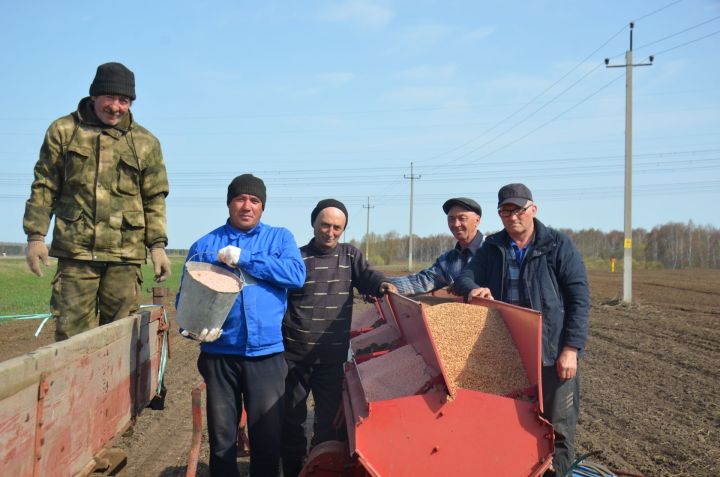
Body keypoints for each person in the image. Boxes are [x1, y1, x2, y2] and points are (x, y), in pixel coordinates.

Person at [23, 62, 171, 341]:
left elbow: (154, 198)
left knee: (120, 337)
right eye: (110, 98)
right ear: (94, 96)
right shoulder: (64, 131)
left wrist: (158, 246)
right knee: (72, 337)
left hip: (124, 257)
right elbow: (44, 184)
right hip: (76, 254)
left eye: (124, 100)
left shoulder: (145, 143)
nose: (116, 107)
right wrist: (35, 235)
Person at [454, 183, 589, 477]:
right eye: (505, 211)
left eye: (518, 209)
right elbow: (463, 277)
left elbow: (579, 299)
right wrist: (473, 289)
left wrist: (571, 349)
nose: (512, 216)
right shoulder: (493, 248)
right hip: (510, 355)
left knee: (558, 429)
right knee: (510, 427)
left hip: (552, 355)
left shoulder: (557, 245)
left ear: (533, 210)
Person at [180, 174, 305, 477]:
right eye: (240, 199)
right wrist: (193, 327)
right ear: (229, 203)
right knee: (222, 439)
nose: (246, 206)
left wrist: (245, 258)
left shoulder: (279, 238)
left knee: (267, 439)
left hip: (266, 356)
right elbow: (186, 297)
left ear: (262, 207)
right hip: (220, 354)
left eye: (254, 200)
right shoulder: (206, 244)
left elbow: (296, 275)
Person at [281, 199, 397, 477]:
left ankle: (319, 470)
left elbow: (368, 276)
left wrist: (382, 284)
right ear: (314, 224)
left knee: (328, 424)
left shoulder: (350, 257)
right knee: (291, 421)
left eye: (337, 227)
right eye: (325, 225)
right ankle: (294, 469)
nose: (330, 232)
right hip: (294, 358)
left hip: (331, 359)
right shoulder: (297, 258)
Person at [390, 197, 483, 295]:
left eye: (462, 218)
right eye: (451, 219)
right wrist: (380, 283)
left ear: (477, 220)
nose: (456, 224)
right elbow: (422, 282)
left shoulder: (494, 250)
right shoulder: (448, 261)